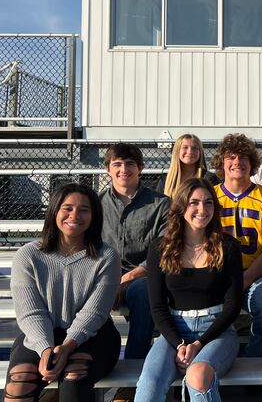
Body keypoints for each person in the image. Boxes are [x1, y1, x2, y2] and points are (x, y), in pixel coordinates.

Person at [5, 183, 121, 402]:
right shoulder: (27, 255)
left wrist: (66, 348)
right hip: (39, 336)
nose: (74, 215)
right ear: (54, 212)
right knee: (20, 383)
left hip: (92, 336)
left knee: (74, 376)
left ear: (94, 216)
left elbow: (94, 313)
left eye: (84, 209)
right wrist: (45, 349)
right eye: (67, 208)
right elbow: (30, 312)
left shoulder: (107, 256)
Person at [136, 178, 243, 401]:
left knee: (199, 376)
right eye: (194, 202)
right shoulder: (160, 248)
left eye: (208, 203)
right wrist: (179, 344)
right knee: (149, 382)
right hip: (173, 331)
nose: (202, 210)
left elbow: (233, 304)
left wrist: (198, 344)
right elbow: (157, 306)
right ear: (181, 206)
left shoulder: (228, 246)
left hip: (216, 332)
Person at [211, 133, 262, 357]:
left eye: (243, 157)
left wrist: (246, 278)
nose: (237, 162)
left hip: (255, 274)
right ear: (221, 163)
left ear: (252, 163)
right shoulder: (208, 197)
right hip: (216, 273)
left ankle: (255, 359)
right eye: (231, 157)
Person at [100, 143, 170, 360]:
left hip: (141, 276)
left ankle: (133, 368)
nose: (124, 169)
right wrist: (109, 280)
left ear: (140, 167)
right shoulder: (94, 203)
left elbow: (162, 251)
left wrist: (126, 278)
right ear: (108, 169)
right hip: (103, 274)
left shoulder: (161, 204)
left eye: (130, 163)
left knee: (144, 292)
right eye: (117, 164)